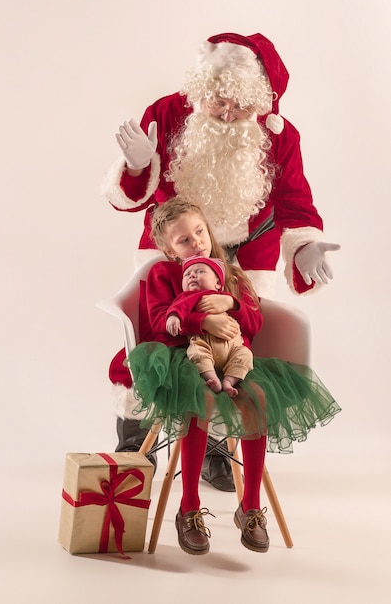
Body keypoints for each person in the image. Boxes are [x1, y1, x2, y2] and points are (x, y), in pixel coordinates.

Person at [101, 32, 341, 490]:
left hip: (248, 257)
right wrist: (135, 168)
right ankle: (135, 442)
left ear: (259, 102)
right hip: (172, 252)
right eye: (217, 102)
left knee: (233, 345)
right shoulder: (167, 114)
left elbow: (294, 200)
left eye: (240, 106)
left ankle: (216, 448)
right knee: (151, 341)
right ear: (200, 90)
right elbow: (130, 200)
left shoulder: (281, 136)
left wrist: (304, 244)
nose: (228, 113)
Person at [124, 197, 341, 555]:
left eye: (199, 232)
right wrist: (202, 320)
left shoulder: (232, 273)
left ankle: (250, 506)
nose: (197, 243)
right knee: (202, 398)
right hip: (184, 358)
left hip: (234, 359)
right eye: (184, 240)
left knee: (256, 398)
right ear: (167, 249)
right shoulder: (163, 274)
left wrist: (232, 304)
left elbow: (255, 323)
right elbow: (161, 323)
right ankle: (189, 507)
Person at [166, 255, 253, 397]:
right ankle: (212, 377)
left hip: (233, 347)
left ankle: (229, 380)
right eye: (187, 274)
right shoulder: (187, 297)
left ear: (218, 283)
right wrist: (173, 317)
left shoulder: (225, 297)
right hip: (204, 342)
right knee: (196, 353)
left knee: (245, 355)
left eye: (200, 271)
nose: (192, 275)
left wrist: (232, 302)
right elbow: (178, 307)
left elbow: (249, 319)